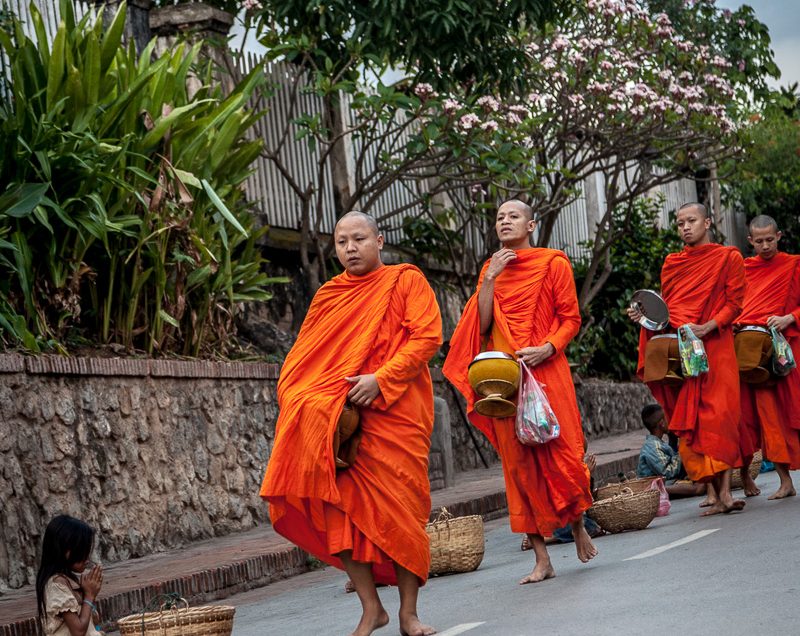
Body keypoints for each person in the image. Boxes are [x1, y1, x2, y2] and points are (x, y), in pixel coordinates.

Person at [260, 212, 442, 636]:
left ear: (379, 240)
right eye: (342, 242)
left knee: (402, 513)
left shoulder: (405, 281)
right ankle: (370, 609)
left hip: (395, 416)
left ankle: (408, 615)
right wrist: (311, 407)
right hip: (344, 426)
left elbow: (427, 337)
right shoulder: (329, 295)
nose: (350, 248)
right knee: (343, 516)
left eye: (359, 239)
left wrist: (381, 379)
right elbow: (303, 364)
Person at [444, 199, 596, 585]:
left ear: (531, 224)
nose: (505, 221)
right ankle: (542, 558)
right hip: (505, 379)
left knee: (564, 455)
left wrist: (549, 346)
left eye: (513, 216)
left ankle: (577, 525)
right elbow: (481, 324)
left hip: (547, 370)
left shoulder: (553, 263)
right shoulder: (490, 269)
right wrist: (491, 277)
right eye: (499, 217)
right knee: (517, 467)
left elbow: (571, 318)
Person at [628, 202, 746, 516]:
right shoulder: (672, 263)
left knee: (719, 416)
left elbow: (735, 303)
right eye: (680, 223)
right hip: (684, 346)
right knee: (692, 419)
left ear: (707, 222)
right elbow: (669, 311)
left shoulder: (728, 257)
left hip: (717, 345)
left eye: (691, 221)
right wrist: (643, 317)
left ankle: (725, 491)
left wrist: (710, 325)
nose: (685, 228)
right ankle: (710, 490)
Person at [735, 214, 800, 500]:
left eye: (769, 240)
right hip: (754, 353)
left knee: (793, 410)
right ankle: (785, 481)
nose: (764, 246)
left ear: (779, 236)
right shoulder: (745, 269)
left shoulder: (794, 265)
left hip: (788, 350)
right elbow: (735, 304)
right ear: (750, 241)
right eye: (759, 241)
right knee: (769, 418)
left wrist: (790, 317)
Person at [36, 515, 105, 636]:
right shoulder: (57, 585)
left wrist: (89, 594)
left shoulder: (69, 581)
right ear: (67, 552)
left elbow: (90, 622)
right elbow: (78, 631)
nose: (87, 559)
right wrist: (89, 596)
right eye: (82, 552)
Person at [637, 404, 705, 498]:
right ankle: (657, 490)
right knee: (700, 487)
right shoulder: (652, 446)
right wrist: (682, 448)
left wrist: (672, 440)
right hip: (662, 483)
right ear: (662, 423)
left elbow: (670, 458)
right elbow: (668, 473)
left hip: (668, 481)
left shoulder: (659, 443)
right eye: (668, 417)